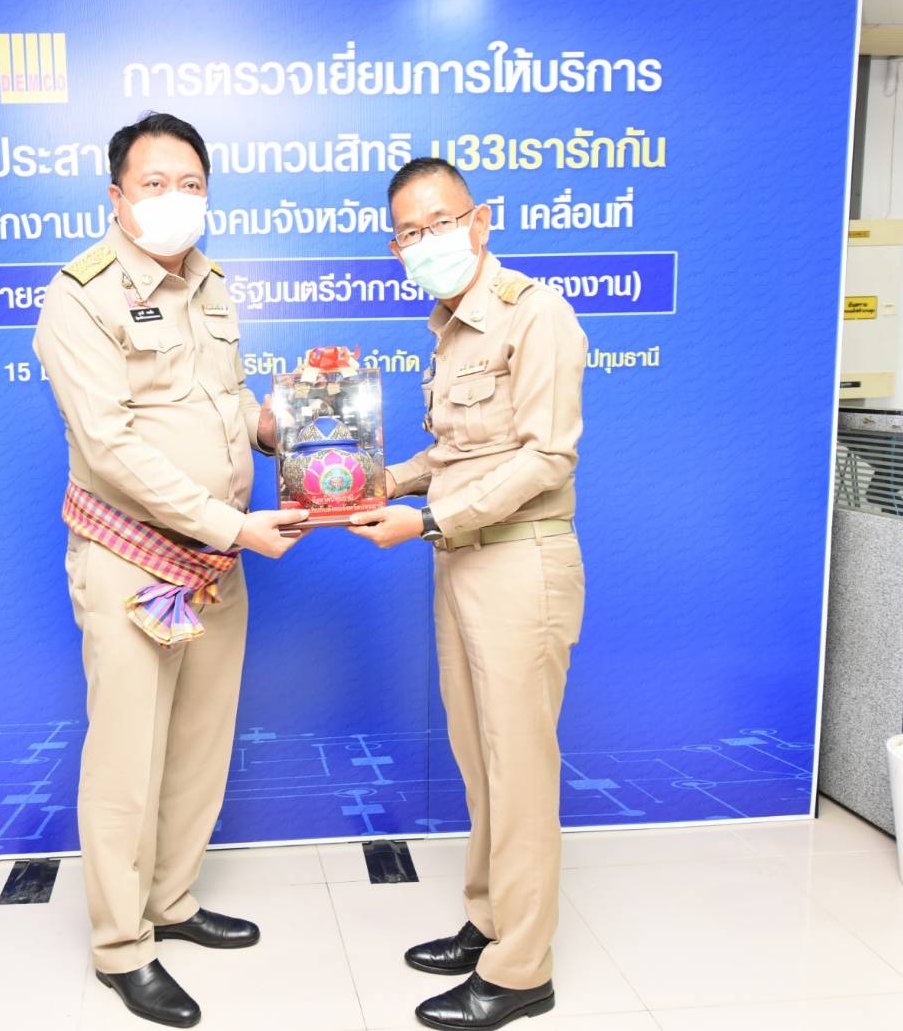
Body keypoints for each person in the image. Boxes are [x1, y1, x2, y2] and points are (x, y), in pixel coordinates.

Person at [32, 112, 307, 1029]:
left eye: (190, 183)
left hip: (215, 561)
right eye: (154, 184)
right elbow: (108, 447)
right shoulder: (79, 297)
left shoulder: (210, 283)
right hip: (135, 559)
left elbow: (225, 400)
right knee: (127, 755)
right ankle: (121, 945)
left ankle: (171, 898)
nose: (175, 199)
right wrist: (232, 523)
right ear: (116, 197)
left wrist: (295, 422)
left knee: (198, 742)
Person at [348, 157, 587, 1030]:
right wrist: (381, 481)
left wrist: (428, 518)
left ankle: (521, 969)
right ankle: (489, 920)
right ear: (395, 247)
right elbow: (455, 454)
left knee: (518, 767)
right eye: (410, 232)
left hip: (518, 561)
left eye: (442, 222)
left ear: (479, 221)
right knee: (481, 757)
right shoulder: (449, 327)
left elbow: (545, 455)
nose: (428, 241)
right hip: (458, 558)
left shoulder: (536, 312)